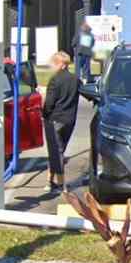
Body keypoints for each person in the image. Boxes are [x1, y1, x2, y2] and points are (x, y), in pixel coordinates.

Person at [42, 50, 81, 191]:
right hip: (70, 120)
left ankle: (60, 184)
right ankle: (49, 180)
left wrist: (44, 114)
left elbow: (49, 103)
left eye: (54, 63)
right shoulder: (75, 79)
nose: (52, 66)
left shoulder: (55, 80)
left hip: (55, 119)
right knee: (58, 150)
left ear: (61, 64)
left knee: (55, 151)